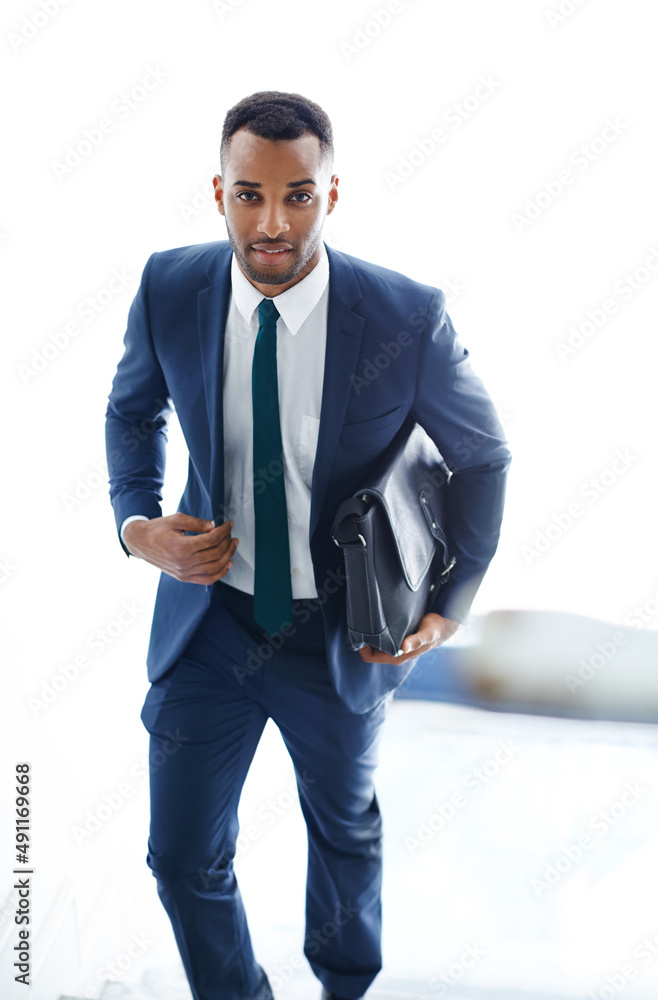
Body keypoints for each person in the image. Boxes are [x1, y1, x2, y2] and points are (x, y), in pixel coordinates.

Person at [104, 90, 511, 1000]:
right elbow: (132, 412)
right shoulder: (171, 286)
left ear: (334, 195)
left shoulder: (405, 315)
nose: (274, 221)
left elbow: (483, 455)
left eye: (300, 196)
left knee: (342, 832)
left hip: (339, 634)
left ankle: (343, 988)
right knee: (179, 857)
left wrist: (453, 601)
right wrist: (139, 527)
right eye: (250, 195)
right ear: (219, 192)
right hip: (209, 626)